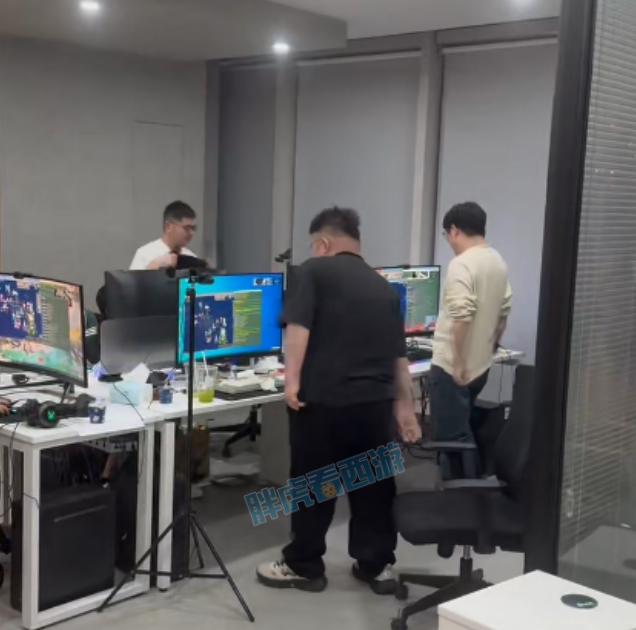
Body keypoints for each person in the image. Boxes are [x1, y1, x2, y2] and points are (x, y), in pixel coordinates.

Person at [257, 207, 422, 595]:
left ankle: (305, 566)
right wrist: (406, 411)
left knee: (315, 486)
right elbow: (398, 357)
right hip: (374, 405)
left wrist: (291, 382)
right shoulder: (384, 287)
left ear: (323, 243)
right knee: (374, 488)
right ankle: (375, 565)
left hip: (324, 402)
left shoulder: (312, 272)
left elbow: (298, 329)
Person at [430, 202, 512, 479]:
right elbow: (503, 312)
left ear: (454, 230)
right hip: (481, 367)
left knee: (452, 439)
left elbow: (462, 317)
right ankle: (471, 489)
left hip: (453, 370)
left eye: (447, 235)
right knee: (464, 428)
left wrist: (458, 363)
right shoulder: (497, 261)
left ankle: (460, 495)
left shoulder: (462, 264)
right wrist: (490, 346)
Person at [129, 201, 197, 270]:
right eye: (187, 228)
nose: (191, 232)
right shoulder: (145, 255)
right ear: (168, 227)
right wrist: (152, 267)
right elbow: (135, 277)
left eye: (193, 228)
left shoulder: (192, 258)